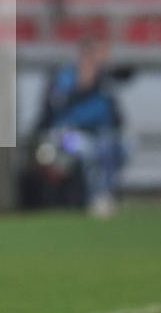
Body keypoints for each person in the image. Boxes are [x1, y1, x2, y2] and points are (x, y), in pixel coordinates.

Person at [31, 36, 129, 217]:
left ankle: (105, 194)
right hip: (66, 135)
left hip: (100, 133)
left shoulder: (104, 81)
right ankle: (95, 197)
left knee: (118, 146)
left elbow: (127, 78)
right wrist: (83, 86)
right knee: (89, 150)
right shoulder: (66, 76)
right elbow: (54, 107)